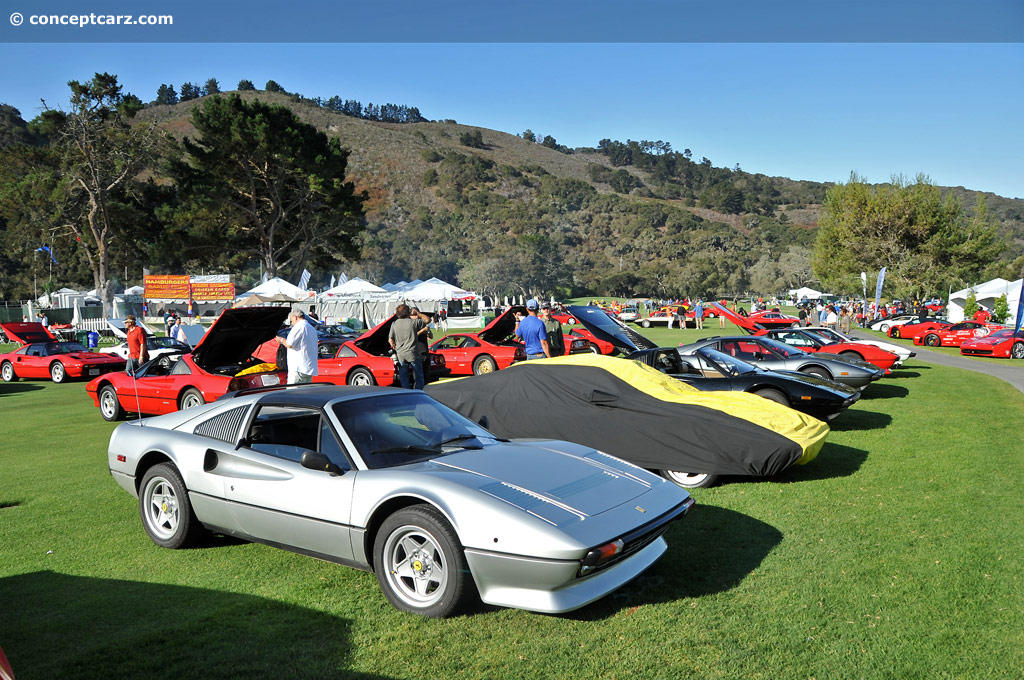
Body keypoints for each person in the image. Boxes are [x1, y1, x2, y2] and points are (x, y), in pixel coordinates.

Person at [275, 309, 318, 384]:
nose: (292, 323)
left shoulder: (299, 327)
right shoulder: (311, 328)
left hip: (298, 368)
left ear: (295, 317)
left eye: (291, 321)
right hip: (309, 368)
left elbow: (289, 344)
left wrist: (281, 340)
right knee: (306, 394)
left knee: (293, 394)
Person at [388, 304, 426, 389]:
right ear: (408, 312)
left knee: (404, 377)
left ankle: (406, 392)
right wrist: (418, 313)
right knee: (418, 376)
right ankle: (418, 392)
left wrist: (394, 347)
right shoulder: (413, 323)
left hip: (401, 354)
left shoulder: (394, 324)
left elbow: (390, 339)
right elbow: (428, 319)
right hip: (413, 353)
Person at [410, 308, 434, 382]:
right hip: (417, 352)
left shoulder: (420, 323)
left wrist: (428, 331)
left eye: (417, 314)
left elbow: (431, 336)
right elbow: (412, 337)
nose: (416, 316)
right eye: (414, 315)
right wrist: (422, 331)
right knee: (418, 376)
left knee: (426, 375)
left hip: (425, 352)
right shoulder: (411, 324)